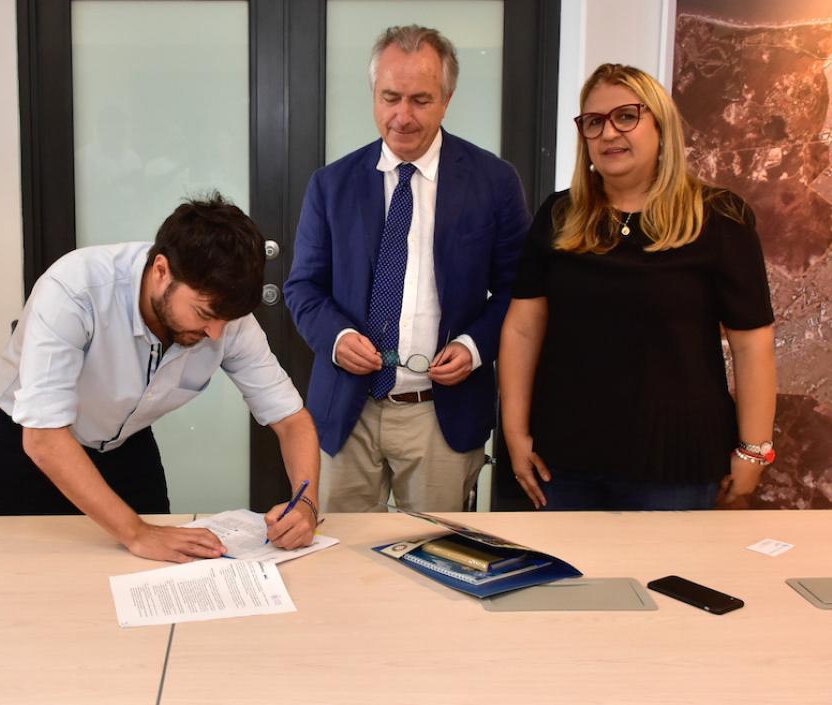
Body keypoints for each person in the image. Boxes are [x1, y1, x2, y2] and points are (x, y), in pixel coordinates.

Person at [498, 63, 777, 510]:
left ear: (661, 126)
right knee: (570, 582)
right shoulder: (558, 216)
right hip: (564, 461)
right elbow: (522, 329)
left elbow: (752, 344)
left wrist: (754, 448)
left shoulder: (719, 217)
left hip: (677, 464)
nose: (608, 133)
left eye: (626, 116)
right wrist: (513, 433)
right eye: (594, 122)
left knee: (662, 581)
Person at [0, 193, 320, 563]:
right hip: (32, 449)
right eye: (203, 314)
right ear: (161, 271)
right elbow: (44, 438)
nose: (215, 334)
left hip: (125, 442)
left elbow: (291, 420)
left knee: (154, 575)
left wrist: (305, 502)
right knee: (30, 580)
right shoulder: (75, 290)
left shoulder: (225, 318)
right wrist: (136, 532)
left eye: (226, 320)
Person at [283, 25, 529, 513]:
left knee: (436, 560)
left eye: (421, 99)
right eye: (390, 97)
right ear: (374, 94)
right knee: (337, 558)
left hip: (441, 415)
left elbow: (518, 293)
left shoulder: (494, 182)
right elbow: (303, 288)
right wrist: (335, 338)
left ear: (447, 98)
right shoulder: (331, 185)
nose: (402, 116)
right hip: (345, 413)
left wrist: (474, 346)